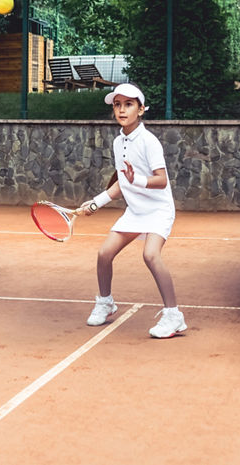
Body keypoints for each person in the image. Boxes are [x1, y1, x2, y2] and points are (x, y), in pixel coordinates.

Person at [76, 82, 186, 338]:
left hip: (158, 209)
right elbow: (120, 185)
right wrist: (96, 202)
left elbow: (161, 181)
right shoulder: (118, 143)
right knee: (104, 254)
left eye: (128, 104)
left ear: (141, 109)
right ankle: (105, 302)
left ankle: (174, 316)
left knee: (150, 255)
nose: (122, 109)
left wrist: (136, 180)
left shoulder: (150, 142)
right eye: (117, 105)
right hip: (135, 211)